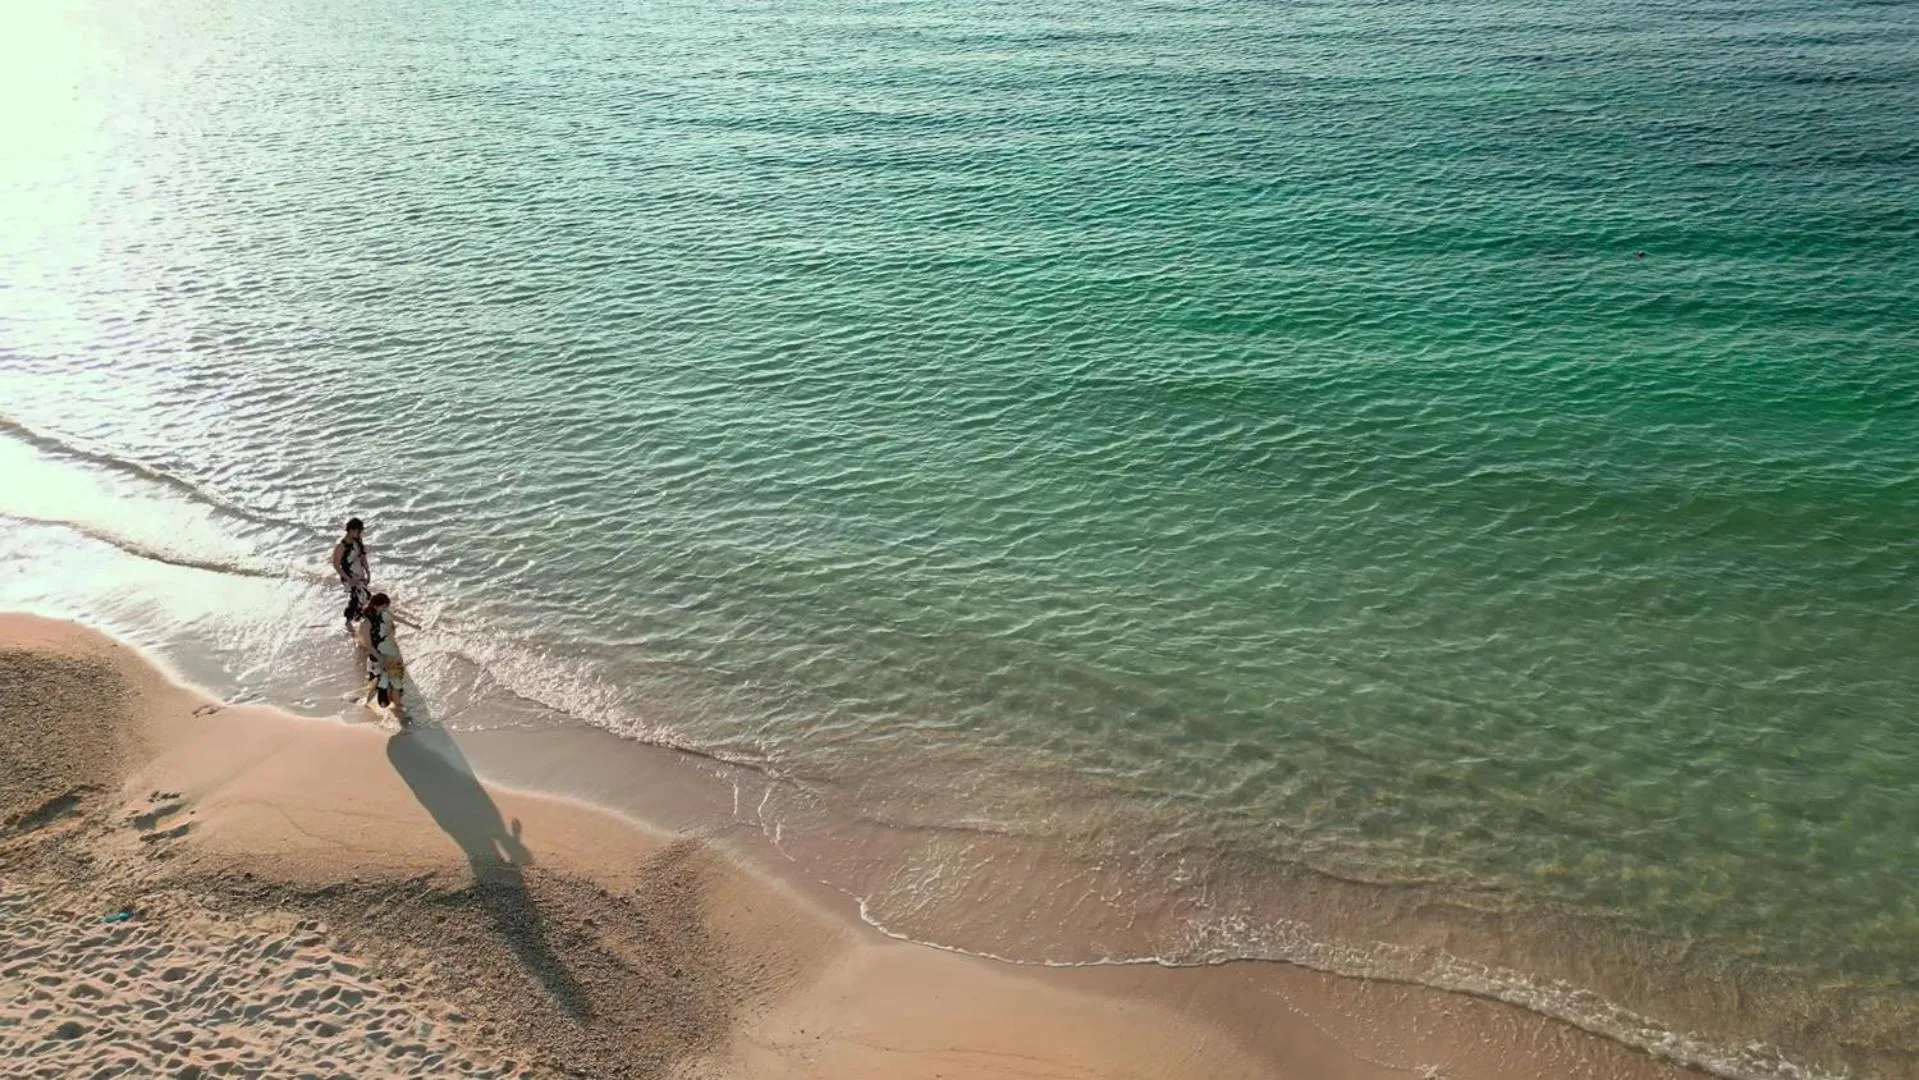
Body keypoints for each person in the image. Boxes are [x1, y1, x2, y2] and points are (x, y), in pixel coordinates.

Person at [355, 592, 406, 718]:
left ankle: (397, 706)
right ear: (376, 606)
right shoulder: (365, 623)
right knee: (377, 681)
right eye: (384, 606)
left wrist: (412, 624)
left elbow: (395, 617)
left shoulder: (383, 614)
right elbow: (368, 646)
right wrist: (380, 659)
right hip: (377, 655)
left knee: (395, 679)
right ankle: (367, 701)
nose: (386, 609)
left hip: (390, 652)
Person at [330, 518, 371, 630]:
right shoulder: (341, 546)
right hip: (348, 576)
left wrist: (368, 573)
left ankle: (357, 620)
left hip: (359, 573)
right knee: (361, 597)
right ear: (351, 530)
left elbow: (363, 557)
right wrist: (349, 579)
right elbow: (336, 565)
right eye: (358, 531)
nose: (360, 533)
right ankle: (350, 621)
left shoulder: (358, 541)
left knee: (361, 597)